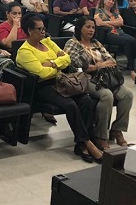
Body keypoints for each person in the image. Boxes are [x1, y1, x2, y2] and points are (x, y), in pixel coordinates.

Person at [16, 14, 102, 163]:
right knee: (70, 104)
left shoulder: (48, 42)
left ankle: (84, 142)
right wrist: (58, 63)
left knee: (86, 100)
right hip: (41, 87)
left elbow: (67, 58)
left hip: (61, 82)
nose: (43, 32)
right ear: (30, 31)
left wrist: (53, 64)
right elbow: (42, 73)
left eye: (44, 28)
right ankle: (87, 143)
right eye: (39, 29)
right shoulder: (24, 51)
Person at [64, 18, 133, 150]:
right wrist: (99, 66)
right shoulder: (72, 43)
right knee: (106, 95)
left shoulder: (96, 43)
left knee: (127, 95)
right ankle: (101, 136)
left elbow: (112, 60)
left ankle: (117, 129)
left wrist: (96, 66)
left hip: (105, 77)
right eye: (88, 27)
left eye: (93, 28)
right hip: (85, 78)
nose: (91, 30)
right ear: (80, 28)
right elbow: (75, 65)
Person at [95, 0, 136, 69]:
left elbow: (121, 22)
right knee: (128, 42)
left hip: (120, 32)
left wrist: (106, 23)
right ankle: (133, 67)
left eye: (113, 1)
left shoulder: (115, 12)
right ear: (104, 0)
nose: (111, 2)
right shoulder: (99, 11)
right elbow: (99, 23)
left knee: (134, 40)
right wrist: (114, 24)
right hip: (108, 34)